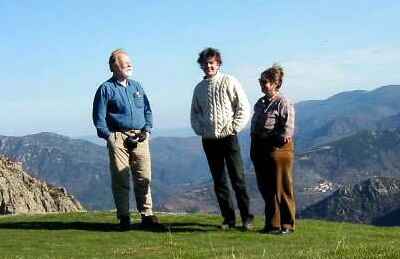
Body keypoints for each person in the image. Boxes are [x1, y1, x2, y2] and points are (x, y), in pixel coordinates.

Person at [92, 49, 160, 230]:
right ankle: (124, 217)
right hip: (118, 137)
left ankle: (147, 215)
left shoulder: (137, 86)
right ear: (114, 66)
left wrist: (147, 129)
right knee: (121, 178)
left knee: (143, 176)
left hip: (140, 136)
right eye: (125, 63)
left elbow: (147, 109)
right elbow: (98, 117)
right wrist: (109, 136)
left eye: (130, 62)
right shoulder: (106, 89)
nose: (130, 65)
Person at [190, 47, 254, 230]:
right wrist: (201, 129)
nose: (208, 66)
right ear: (201, 65)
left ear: (218, 64)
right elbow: (194, 114)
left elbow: (243, 107)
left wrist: (234, 128)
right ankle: (229, 219)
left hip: (228, 138)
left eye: (212, 63)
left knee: (238, 178)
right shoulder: (199, 88)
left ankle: (247, 218)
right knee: (219, 181)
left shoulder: (229, 81)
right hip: (209, 140)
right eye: (205, 63)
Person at [250, 64, 296, 235]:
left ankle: (287, 225)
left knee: (282, 187)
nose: (263, 85)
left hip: (278, 148)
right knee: (266, 188)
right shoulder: (260, 103)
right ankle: (272, 224)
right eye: (261, 81)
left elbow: (288, 127)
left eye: (266, 82)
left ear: (275, 83)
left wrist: (281, 138)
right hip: (259, 146)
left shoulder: (283, 102)